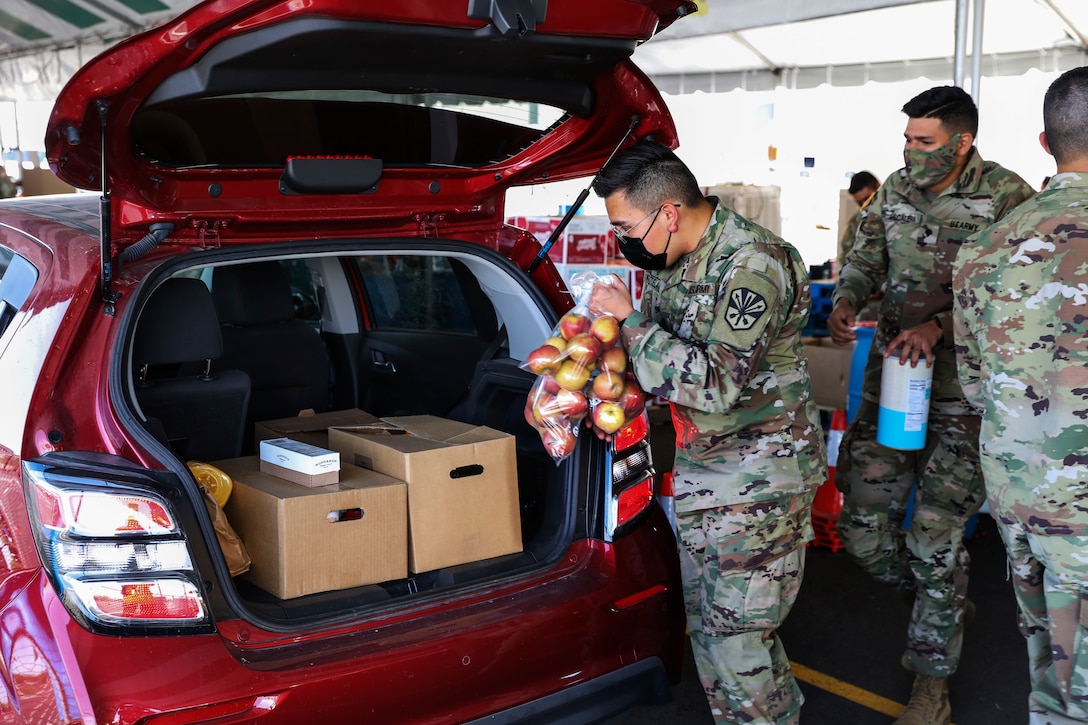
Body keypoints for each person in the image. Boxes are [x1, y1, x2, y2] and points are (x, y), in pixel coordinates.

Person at [586, 139, 826, 725]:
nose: (622, 240)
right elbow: (663, 372)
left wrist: (632, 323)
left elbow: (716, 384)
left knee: (742, 645)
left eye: (625, 227)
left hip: (761, 481)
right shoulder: (671, 263)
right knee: (716, 638)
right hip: (707, 478)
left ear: (668, 213)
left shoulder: (754, 263)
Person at [827, 85, 1034, 725]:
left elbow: (1012, 299)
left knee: (934, 535)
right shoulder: (892, 188)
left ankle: (930, 684)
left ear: (962, 141)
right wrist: (847, 298)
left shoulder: (1008, 199)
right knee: (862, 529)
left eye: (925, 142)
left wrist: (940, 327)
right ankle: (940, 598)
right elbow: (865, 258)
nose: (911, 153)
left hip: (965, 399)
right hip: (894, 384)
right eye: (907, 141)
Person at [953, 66, 1088, 725]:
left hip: (1017, 491)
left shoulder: (985, 246)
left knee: (1050, 674)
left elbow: (977, 384)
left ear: (1044, 142)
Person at [838, 170, 881, 271]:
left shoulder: (898, 212)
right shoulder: (857, 220)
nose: (864, 205)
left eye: (867, 199)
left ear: (878, 186)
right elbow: (845, 252)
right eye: (860, 203)